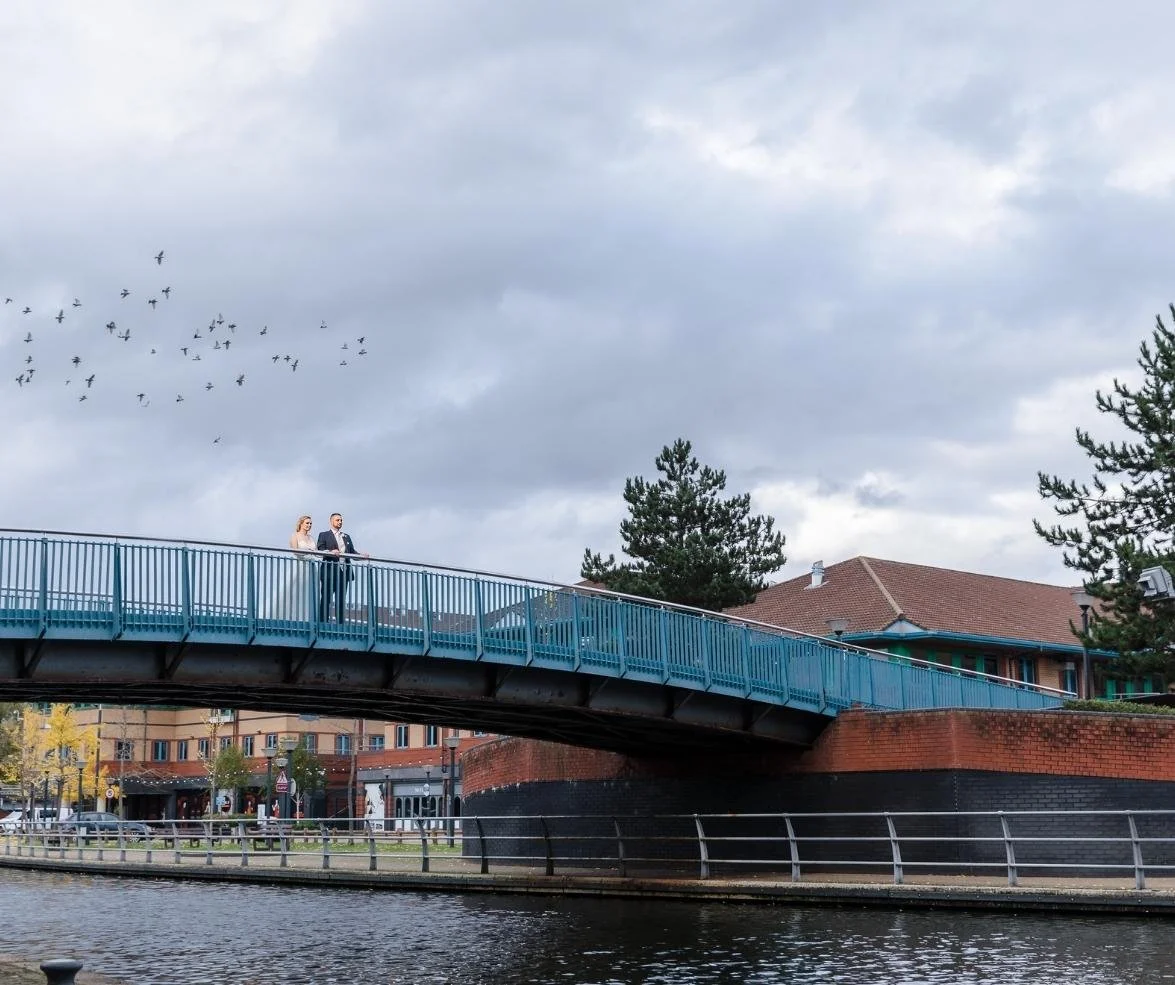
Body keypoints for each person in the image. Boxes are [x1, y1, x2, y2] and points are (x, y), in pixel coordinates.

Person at [261, 515, 318, 620]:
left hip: (311, 567)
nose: (309, 525)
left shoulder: (311, 538)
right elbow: (295, 552)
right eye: (307, 523)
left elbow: (317, 553)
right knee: (292, 590)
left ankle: (305, 618)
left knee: (307, 592)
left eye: (310, 523)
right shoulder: (295, 536)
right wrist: (308, 554)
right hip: (300, 566)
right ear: (301, 524)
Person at [316, 512, 367, 622]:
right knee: (326, 598)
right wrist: (330, 552)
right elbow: (319, 550)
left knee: (341, 600)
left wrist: (362, 556)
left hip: (344, 572)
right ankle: (322, 623)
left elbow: (352, 552)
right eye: (337, 520)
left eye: (341, 520)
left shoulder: (346, 536)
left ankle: (340, 624)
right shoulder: (324, 535)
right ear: (331, 521)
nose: (340, 522)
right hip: (329, 572)